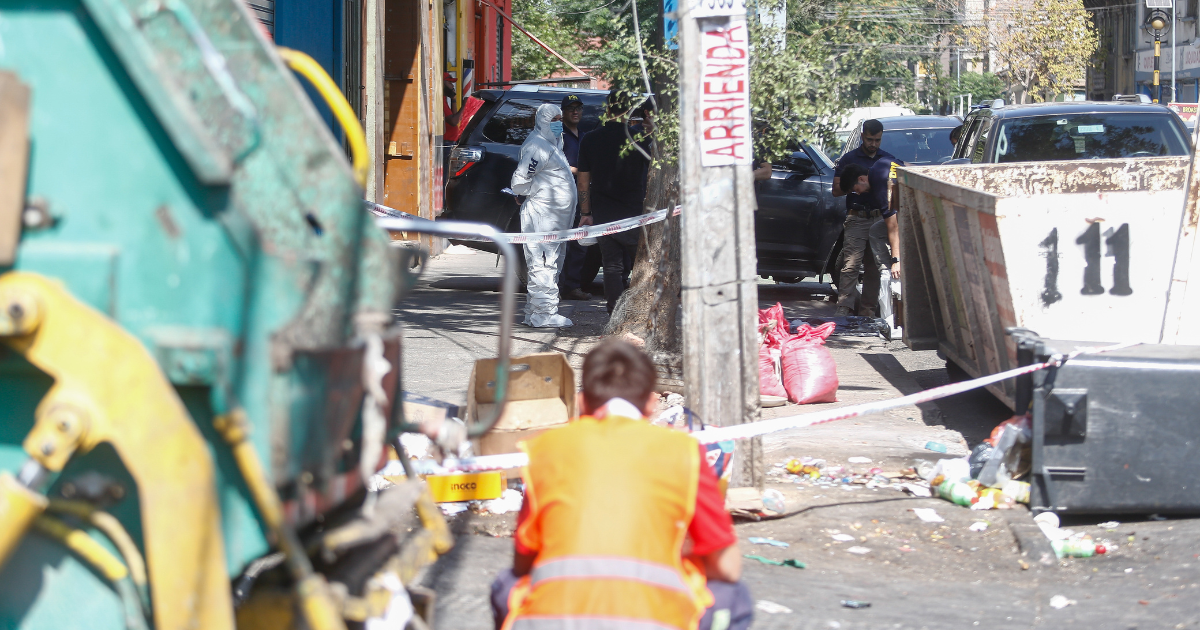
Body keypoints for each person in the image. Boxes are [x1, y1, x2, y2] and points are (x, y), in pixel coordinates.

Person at [490, 339, 753, 630]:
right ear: (652, 403)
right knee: (734, 596)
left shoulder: (545, 449)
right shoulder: (684, 451)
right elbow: (727, 568)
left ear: (580, 402)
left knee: (505, 585)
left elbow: (524, 561)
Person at [578, 93, 651, 314]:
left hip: (604, 213)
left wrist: (586, 212)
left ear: (607, 111)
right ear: (630, 112)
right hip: (636, 211)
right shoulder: (640, 139)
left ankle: (615, 313)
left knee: (611, 266)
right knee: (642, 265)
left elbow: (583, 182)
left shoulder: (590, 139)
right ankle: (640, 313)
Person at [511, 103, 576, 328]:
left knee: (549, 263)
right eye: (554, 121)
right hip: (542, 215)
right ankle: (544, 314)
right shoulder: (537, 147)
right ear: (543, 122)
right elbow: (519, 182)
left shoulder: (551, 145)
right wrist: (530, 193)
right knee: (543, 263)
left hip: (552, 216)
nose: (558, 125)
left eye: (560, 120)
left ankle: (536, 312)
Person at [832, 119, 897, 317]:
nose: (873, 144)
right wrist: (855, 185)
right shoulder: (848, 159)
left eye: (877, 140)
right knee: (850, 265)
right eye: (869, 139)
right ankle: (844, 308)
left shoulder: (887, 159)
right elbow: (835, 190)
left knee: (874, 267)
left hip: (879, 218)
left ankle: (868, 312)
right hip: (857, 216)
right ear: (862, 136)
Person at [557, 94, 602, 301]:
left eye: (578, 108)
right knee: (559, 242)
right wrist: (581, 171)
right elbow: (554, 162)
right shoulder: (558, 135)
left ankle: (572, 285)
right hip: (562, 196)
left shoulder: (585, 135)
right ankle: (563, 286)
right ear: (563, 112)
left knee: (579, 243)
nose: (575, 112)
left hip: (583, 195)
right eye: (570, 108)